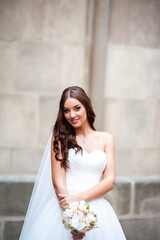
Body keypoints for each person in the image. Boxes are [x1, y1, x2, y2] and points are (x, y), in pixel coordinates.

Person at [19, 86, 126, 240]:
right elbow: (58, 183)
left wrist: (78, 200)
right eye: (66, 110)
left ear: (87, 107)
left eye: (77, 108)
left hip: (96, 210)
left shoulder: (106, 139)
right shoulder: (59, 138)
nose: (72, 115)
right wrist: (73, 219)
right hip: (65, 207)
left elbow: (109, 181)